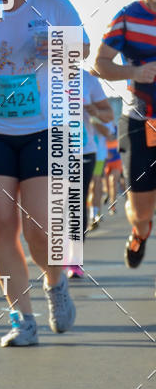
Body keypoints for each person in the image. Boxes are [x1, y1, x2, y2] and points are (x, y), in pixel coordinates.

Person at [0, 0, 89, 346]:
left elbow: (84, 48)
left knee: (38, 227)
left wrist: (58, 45)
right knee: (0, 225)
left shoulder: (51, 2)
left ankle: (54, 281)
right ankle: (22, 319)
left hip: (43, 126)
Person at [94, 0, 156, 267]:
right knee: (142, 209)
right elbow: (100, 63)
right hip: (139, 120)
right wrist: (136, 72)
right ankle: (140, 229)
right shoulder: (128, 17)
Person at [69, 68, 113, 278]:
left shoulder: (87, 79)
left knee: (76, 203)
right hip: (48, 148)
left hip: (83, 150)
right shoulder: (42, 73)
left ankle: (74, 260)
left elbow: (108, 116)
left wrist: (92, 110)